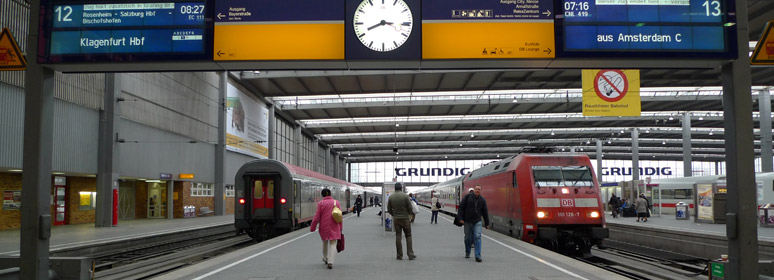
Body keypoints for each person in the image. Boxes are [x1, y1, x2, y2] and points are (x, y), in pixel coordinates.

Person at [310, 188, 343, 269]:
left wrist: (312, 227)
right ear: (330, 194)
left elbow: (317, 217)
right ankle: (331, 261)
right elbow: (340, 216)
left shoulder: (321, 203)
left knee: (325, 242)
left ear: (322, 195)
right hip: (335, 226)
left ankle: (325, 258)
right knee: (333, 244)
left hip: (324, 227)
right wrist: (341, 227)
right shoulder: (336, 202)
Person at [458, 185, 490, 263]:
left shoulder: (482, 200)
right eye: (476, 189)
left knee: (477, 236)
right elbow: (461, 207)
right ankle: (467, 252)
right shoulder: (467, 197)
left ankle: (478, 256)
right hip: (467, 221)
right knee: (467, 238)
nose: (477, 190)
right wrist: (460, 218)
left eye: (479, 189)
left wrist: (487, 223)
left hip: (477, 221)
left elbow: (485, 212)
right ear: (474, 189)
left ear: (480, 190)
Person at [387, 182, 416, 260]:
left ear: (395, 188)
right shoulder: (405, 196)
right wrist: (409, 215)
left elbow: (389, 209)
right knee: (408, 235)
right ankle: (410, 254)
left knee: (398, 236)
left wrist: (394, 214)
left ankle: (399, 255)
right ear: (401, 188)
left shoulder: (391, 197)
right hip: (405, 219)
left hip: (396, 219)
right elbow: (410, 208)